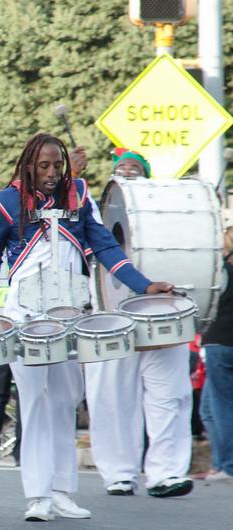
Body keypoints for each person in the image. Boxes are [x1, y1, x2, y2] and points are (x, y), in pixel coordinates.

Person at [0, 133, 174, 522]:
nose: (50, 173)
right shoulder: (5, 201)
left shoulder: (77, 195)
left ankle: (62, 490)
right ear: (27, 165)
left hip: (68, 316)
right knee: (35, 401)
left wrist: (145, 285)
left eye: (56, 166)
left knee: (64, 401)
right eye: (43, 166)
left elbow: (107, 248)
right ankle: (38, 495)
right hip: (24, 317)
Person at [85, 149, 194, 498]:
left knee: (170, 397)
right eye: (121, 169)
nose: (127, 173)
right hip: (110, 317)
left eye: (135, 168)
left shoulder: (167, 218)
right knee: (112, 399)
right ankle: (119, 473)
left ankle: (167, 473)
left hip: (160, 317)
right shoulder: (96, 215)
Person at [201, 226, 233, 484]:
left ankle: (227, 466)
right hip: (225, 342)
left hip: (219, 340)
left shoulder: (220, 271)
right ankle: (220, 462)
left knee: (220, 407)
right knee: (208, 409)